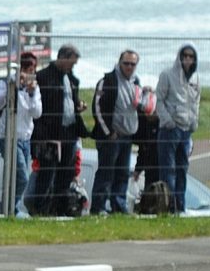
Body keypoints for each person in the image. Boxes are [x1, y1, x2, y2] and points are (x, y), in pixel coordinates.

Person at [30, 44, 87, 216]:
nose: (72, 66)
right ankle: (40, 209)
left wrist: (78, 106)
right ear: (62, 57)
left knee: (66, 173)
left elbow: (70, 100)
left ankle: (60, 209)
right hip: (49, 134)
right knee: (47, 173)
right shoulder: (43, 77)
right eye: (71, 62)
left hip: (69, 132)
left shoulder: (71, 78)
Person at [89, 50, 147, 216]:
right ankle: (98, 207)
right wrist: (109, 132)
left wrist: (147, 96)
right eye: (126, 63)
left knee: (122, 173)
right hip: (111, 137)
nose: (129, 67)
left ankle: (118, 207)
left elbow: (140, 105)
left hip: (127, 136)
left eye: (132, 64)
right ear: (120, 62)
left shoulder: (136, 82)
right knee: (106, 173)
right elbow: (97, 108)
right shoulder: (107, 81)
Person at [151, 45, 200, 205]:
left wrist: (194, 122)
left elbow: (196, 102)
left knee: (182, 169)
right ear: (179, 57)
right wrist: (167, 121)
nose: (187, 59)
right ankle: (168, 205)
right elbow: (159, 99)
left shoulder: (195, 78)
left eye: (191, 56)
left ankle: (180, 205)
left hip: (186, 130)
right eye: (184, 55)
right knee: (168, 170)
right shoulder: (167, 74)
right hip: (170, 129)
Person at [0, 53, 40, 214]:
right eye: (28, 69)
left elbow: (37, 113)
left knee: (16, 177)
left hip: (25, 137)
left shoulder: (34, 88)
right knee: (23, 177)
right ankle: (7, 207)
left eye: (33, 69)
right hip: (9, 136)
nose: (30, 73)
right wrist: (13, 87)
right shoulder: (6, 82)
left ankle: (8, 210)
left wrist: (32, 94)